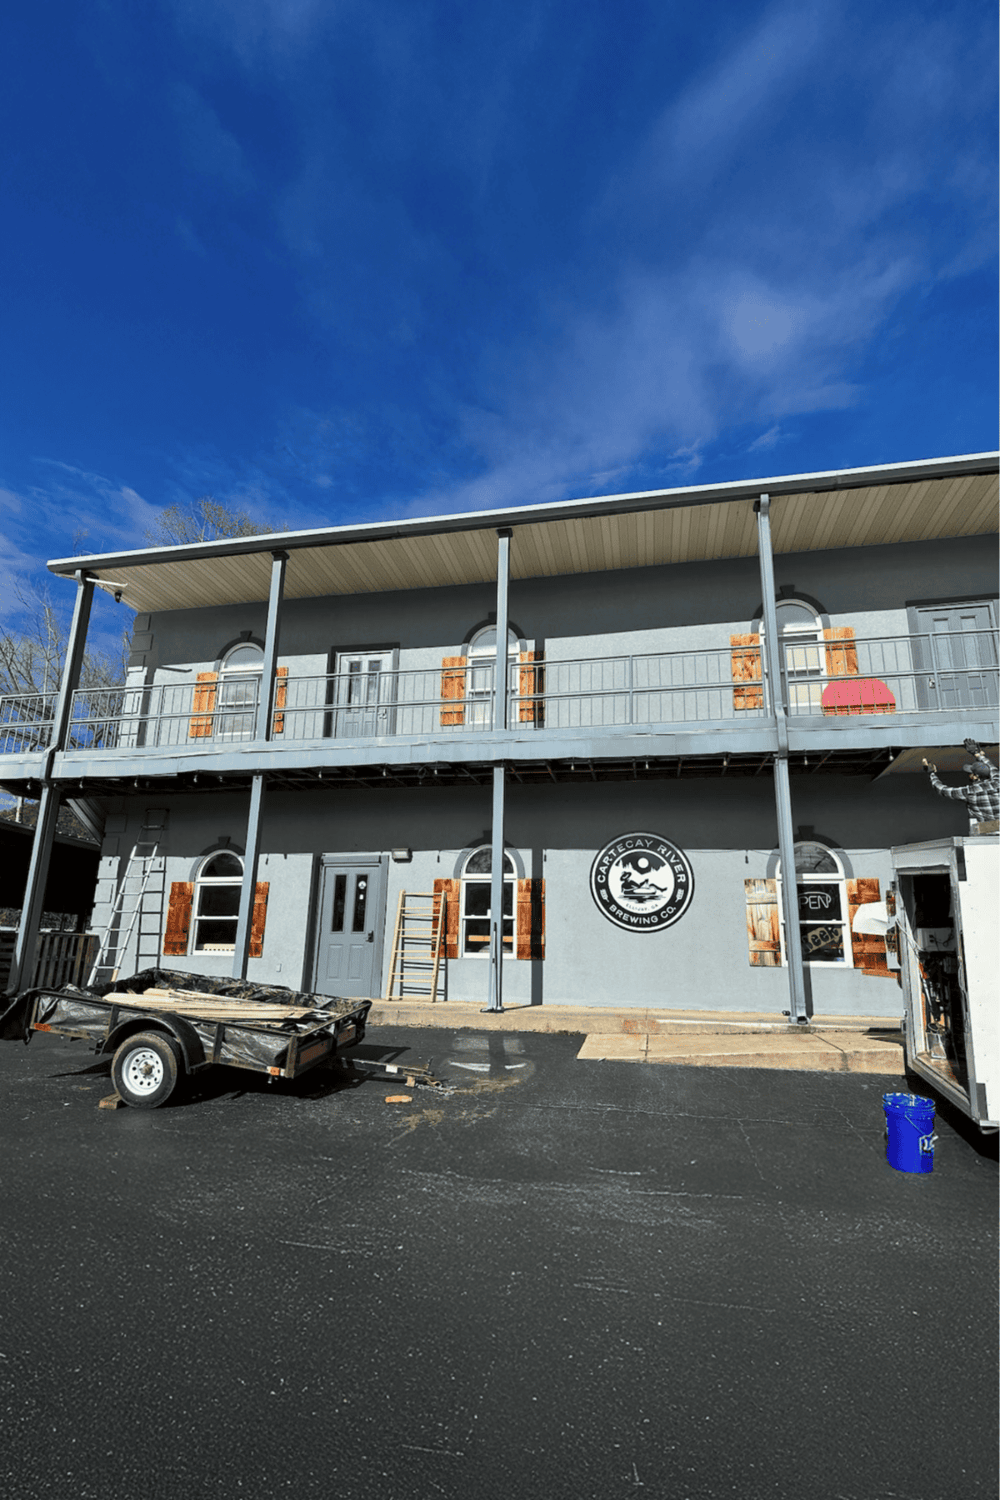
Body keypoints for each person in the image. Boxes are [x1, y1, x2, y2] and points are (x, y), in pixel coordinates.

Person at [922, 749, 999, 830]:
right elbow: (992, 767)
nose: (969, 774)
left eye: (971, 773)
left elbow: (942, 790)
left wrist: (931, 774)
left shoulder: (970, 791)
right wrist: (977, 754)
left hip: (986, 831)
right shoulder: (998, 781)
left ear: (976, 776)